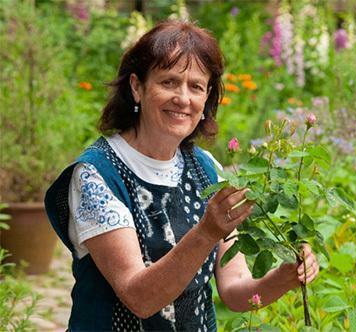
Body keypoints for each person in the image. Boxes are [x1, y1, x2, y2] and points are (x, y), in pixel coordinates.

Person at [45, 20, 319, 331]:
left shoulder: (206, 168)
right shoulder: (98, 175)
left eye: (196, 86)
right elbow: (140, 298)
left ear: (207, 97)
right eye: (169, 82)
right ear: (137, 87)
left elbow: (235, 289)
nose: (183, 98)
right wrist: (206, 232)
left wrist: (284, 277)